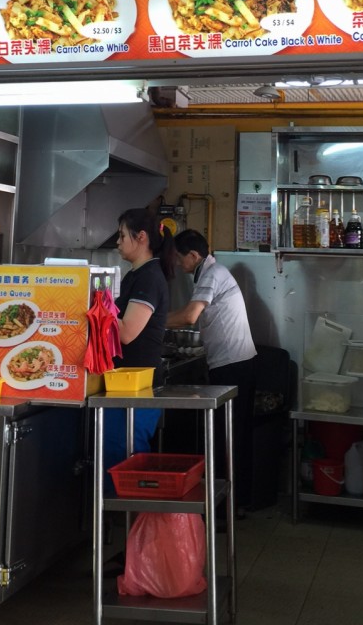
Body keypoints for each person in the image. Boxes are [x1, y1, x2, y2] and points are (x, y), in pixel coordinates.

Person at [169, 229, 257, 514]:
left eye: (180, 259)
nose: (179, 265)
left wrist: (147, 321)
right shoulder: (212, 272)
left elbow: (190, 316)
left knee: (228, 436)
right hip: (237, 363)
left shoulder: (211, 274)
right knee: (233, 435)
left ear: (194, 256)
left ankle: (228, 505)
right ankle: (237, 501)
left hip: (233, 366)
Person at [103, 207, 176, 479]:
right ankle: (119, 517)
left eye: (122, 236)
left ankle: (131, 520)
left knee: (126, 456)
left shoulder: (149, 277)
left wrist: (98, 305)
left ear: (141, 237)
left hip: (138, 385)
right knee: (116, 455)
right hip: (124, 382)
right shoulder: (136, 274)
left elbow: (126, 333)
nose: (118, 242)